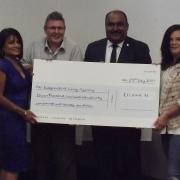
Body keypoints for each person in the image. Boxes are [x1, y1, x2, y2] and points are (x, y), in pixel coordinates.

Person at [84, 10, 151, 180]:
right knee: (104, 167)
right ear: (105, 27)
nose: (115, 28)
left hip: (128, 125)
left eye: (120, 24)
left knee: (130, 168)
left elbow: (147, 86)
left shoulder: (140, 49)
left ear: (127, 27)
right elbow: (86, 83)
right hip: (101, 125)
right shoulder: (93, 49)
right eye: (111, 24)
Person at [24, 11, 82, 180]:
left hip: (64, 117)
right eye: (52, 28)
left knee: (66, 162)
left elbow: (79, 78)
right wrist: (33, 69)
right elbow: (21, 66)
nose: (56, 32)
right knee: (40, 160)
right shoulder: (34, 46)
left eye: (60, 28)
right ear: (45, 29)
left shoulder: (74, 48)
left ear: (64, 29)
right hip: (39, 116)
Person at [0, 28, 36, 180]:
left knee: (8, 165)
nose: (16, 45)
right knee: (13, 166)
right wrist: (22, 112)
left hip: (18, 122)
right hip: (7, 121)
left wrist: (46, 67)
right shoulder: (2, 65)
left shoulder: (19, 65)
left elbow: (29, 75)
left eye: (18, 42)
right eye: (11, 42)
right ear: (2, 46)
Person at [154, 24, 180, 180]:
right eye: (170, 39)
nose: (173, 42)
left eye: (178, 39)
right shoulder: (164, 68)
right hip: (166, 129)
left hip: (178, 129)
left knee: (174, 174)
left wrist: (166, 115)